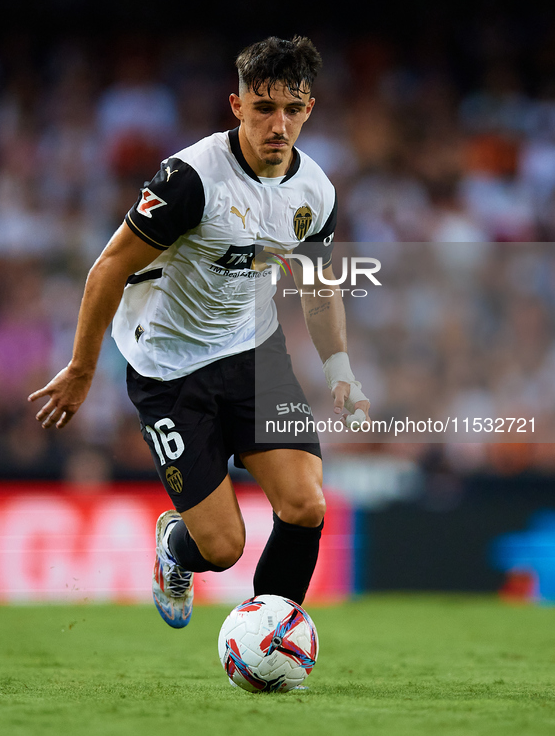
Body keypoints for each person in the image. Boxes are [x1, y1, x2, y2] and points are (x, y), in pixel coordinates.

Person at [29, 35, 370, 628]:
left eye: (292, 109)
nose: (278, 124)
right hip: (169, 368)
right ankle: (175, 548)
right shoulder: (191, 178)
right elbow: (110, 266)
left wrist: (338, 366)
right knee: (222, 546)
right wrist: (82, 370)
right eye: (263, 109)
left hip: (253, 353)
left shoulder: (316, 191)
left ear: (309, 109)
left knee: (306, 503)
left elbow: (317, 284)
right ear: (236, 107)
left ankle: (273, 635)